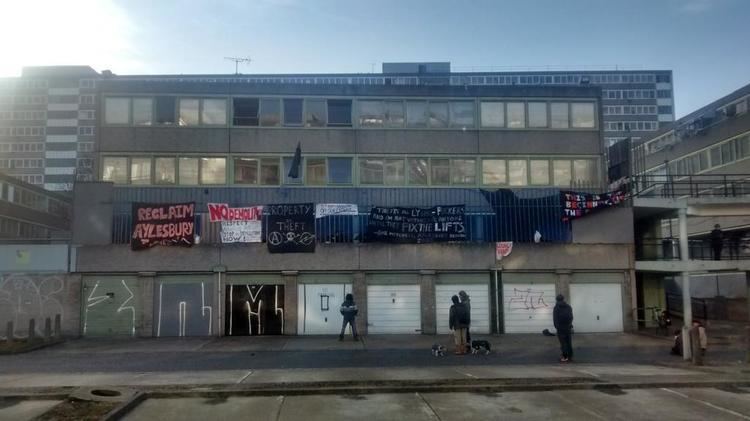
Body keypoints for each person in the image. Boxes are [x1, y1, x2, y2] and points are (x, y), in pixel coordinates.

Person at [553, 294, 574, 363]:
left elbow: (555, 319)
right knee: (568, 342)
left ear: (557, 299)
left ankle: (565, 357)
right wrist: (570, 324)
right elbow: (571, 317)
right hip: (568, 327)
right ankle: (570, 356)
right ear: (563, 299)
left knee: (563, 343)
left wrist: (557, 327)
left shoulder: (556, 307)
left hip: (560, 328)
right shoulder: (568, 307)